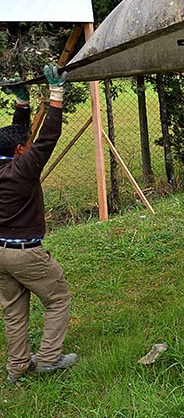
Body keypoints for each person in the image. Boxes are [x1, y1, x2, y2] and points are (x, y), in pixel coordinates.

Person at [0, 65, 76, 384]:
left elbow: (21, 138)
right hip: (26, 254)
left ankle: (17, 367)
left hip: (0, 254)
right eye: (26, 145)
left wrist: (23, 104)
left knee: (14, 311)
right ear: (20, 152)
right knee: (58, 298)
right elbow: (47, 139)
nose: (30, 145)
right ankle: (48, 359)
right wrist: (56, 94)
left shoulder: (8, 164)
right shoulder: (23, 171)